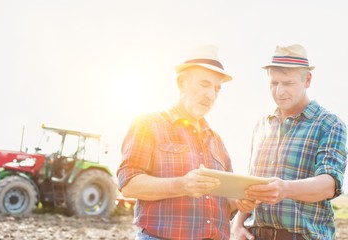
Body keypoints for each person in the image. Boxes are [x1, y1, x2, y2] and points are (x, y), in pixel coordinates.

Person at [117, 45, 259, 240]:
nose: (211, 95)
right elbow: (128, 184)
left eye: (217, 89)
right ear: (182, 83)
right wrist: (182, 185)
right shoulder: (149, 124)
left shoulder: (216, 141)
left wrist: (238, 202)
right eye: (204, 84)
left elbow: (224, 201)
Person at [233, 44, 347, 240]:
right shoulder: (262, 125)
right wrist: (237, 223)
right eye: (274, 83)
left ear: (307, 80)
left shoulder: (329, 124)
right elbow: (253, 181)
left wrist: (285, 189)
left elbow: (329, 184)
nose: (279, 91)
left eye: (288, 83)